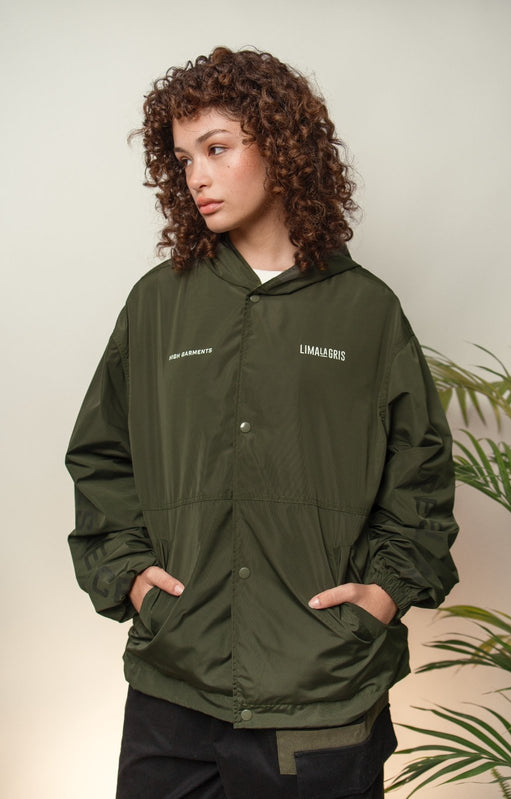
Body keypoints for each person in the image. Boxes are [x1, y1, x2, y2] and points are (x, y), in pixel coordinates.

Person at [66, 47, 459, 799]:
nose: (196, 176)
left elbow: (420, 471)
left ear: (283, 146)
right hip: (173, 687)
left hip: (320, 690)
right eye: (184, 159)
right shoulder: (156, 304)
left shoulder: (366, 310)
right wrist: (133, 579)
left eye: (216, 148)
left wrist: (382, 594)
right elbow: (101, 454)